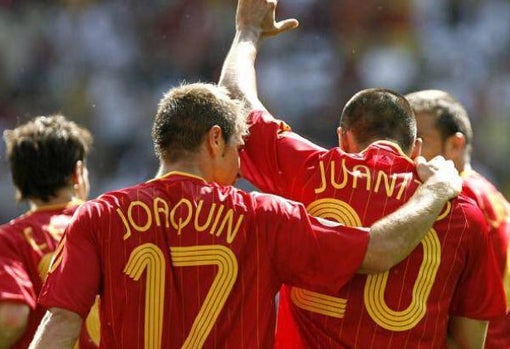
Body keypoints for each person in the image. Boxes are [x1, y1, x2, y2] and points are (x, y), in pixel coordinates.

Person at [29, 82, 462, 348]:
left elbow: (60, 324)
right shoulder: (263, 217)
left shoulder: (98, 217)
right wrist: (436, 191)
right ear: (215, 140)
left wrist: (245, 36)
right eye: (238, 150)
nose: (240, 169)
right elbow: (378, 250)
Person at [218, 0, 507, 348]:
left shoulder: (311, 171)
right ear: (415, 148)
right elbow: (467, 343)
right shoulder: (463, 213)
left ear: (342, 138)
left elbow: (235, 101)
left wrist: (247, 31)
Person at [406, 89, 510, 349]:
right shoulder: (485, 191)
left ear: (455, 145)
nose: (410, 151)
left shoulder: (458, 197)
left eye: (419, 140)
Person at [0, 115, 100, 348]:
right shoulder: (113, 227)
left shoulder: (11, 239)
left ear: (19, 182)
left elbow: (11, 318)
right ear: (78, 173)